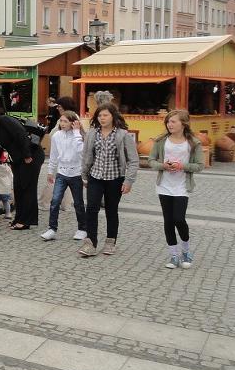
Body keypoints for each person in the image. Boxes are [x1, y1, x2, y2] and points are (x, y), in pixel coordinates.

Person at [80, 103, 139, 257]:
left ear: (113, 116)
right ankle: (90, 243)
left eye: (105, 115)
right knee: (91, 208)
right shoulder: (92, 134)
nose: (102, 118)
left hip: (115, 179)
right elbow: (86, 156)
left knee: (111, 211)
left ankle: (110, 242)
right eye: (100, 115)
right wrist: (84, 175)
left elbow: (133, 160)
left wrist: (129, 181)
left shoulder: (122, 135)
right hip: (95, 177)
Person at [149, 110, 204, 269]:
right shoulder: (161, 141)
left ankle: (186, 251)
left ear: (183, 123)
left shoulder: (193, 143)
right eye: (168, 122)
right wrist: (163, 166)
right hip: (164, 186)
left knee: (179, 219)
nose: (169, 124)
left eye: (173, 121)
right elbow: (151, 161)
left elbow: (200, 166)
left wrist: (182, 166)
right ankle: (173, 255)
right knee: (168, 221)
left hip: (181, 186)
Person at [0, 105, 43, 230]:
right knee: (18, 188)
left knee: (27, 188)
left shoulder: (5, 120)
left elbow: (20, 134)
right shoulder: (1, 126)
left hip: (31, 157)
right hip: (19, 160)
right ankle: (19, 218)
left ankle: (26, 221)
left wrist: (27, 155)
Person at [41, 111, 87, 242]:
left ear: (73, 123)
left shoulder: (80, 136)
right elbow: (54, 155)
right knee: (55, 201)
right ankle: (52, 229)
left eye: (65, 121)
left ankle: (82, 229)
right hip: (61, 173)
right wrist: (50, 171)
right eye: (61, 121)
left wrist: (77, 133)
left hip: (76, 173)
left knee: (78, 203)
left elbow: (81, 153)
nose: (62, 124)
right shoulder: (56, 136)